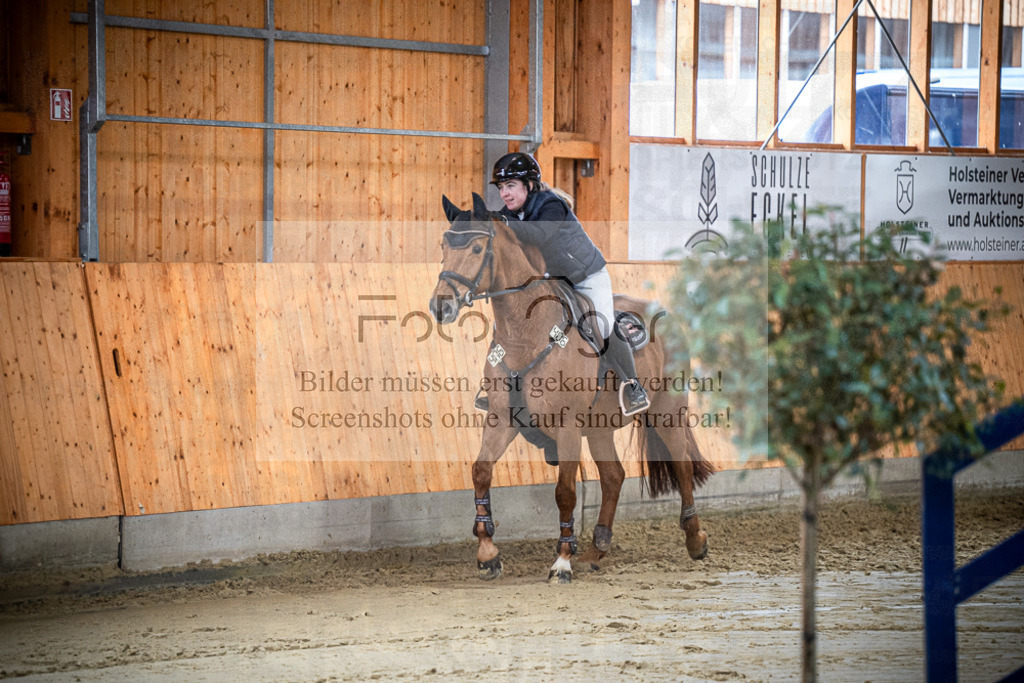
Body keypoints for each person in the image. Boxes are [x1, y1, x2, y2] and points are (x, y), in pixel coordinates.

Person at [490, 151, 650, 416]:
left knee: (601, 323)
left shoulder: (550, 204)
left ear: (529, 185)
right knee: (513, 322)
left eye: (510, 186)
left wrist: (501, 222)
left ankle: (633, 386)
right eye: (501, 188)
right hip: (552, 281)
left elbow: (538, 234)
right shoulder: (511, 213)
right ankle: (498, 387)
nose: (504, 194)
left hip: (586, 277)